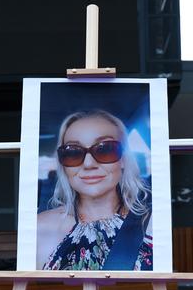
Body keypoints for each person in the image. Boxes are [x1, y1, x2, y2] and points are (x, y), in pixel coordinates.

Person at [36, 109, 152, 270]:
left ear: (124, 159)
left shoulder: (154, 223)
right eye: (72, 152)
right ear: (63, 164)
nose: (89, 164)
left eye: (105, 149)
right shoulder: (38, 228)